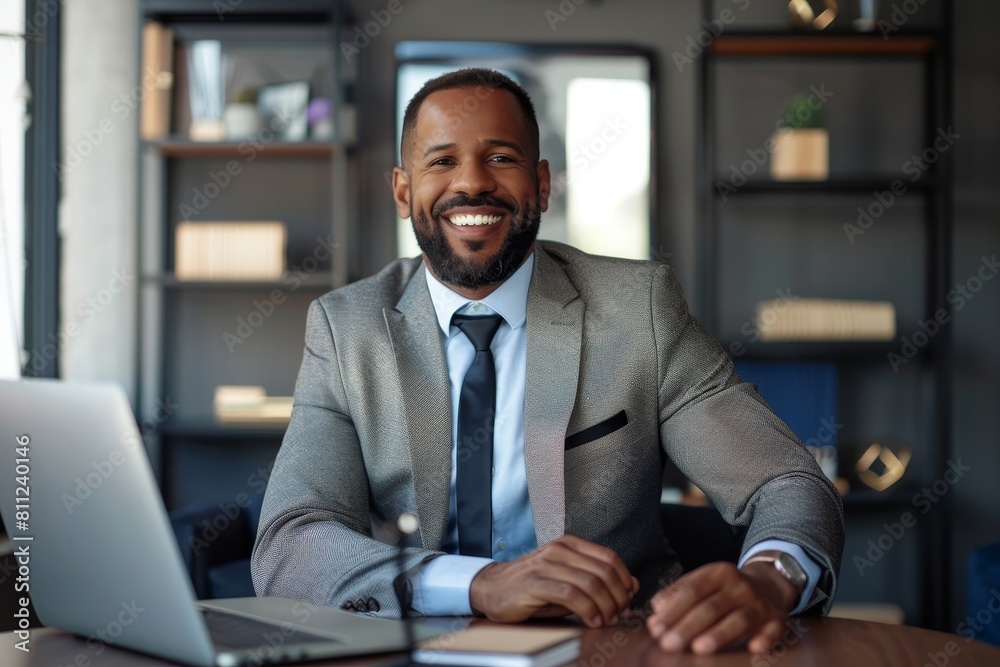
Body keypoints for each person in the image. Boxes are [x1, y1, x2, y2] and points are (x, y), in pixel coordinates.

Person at [251, 68, 844, 656]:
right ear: (404, 191)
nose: (474, 183)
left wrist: (773, 578)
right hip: (413, 646)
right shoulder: (346, 327)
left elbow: (785, 482)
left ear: (541, 184)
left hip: (614, 645)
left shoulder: (639, 310)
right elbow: (291, 542)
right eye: (441, 161)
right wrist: (480, 584)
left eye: (501, 158)